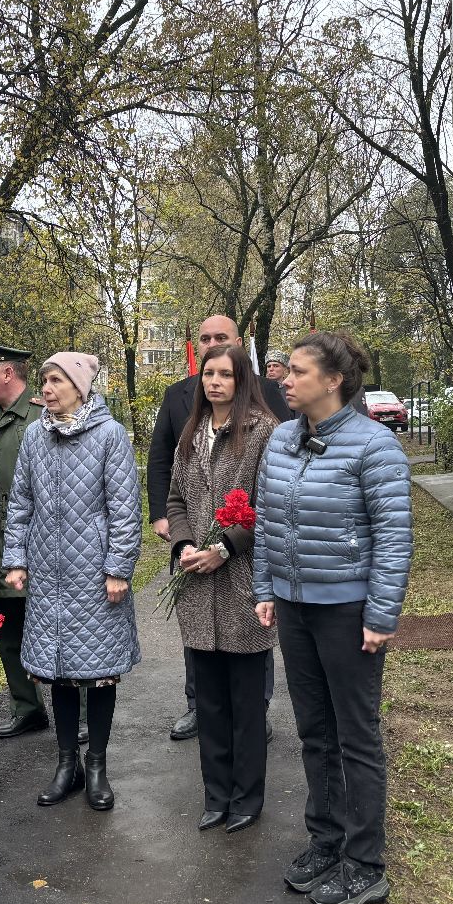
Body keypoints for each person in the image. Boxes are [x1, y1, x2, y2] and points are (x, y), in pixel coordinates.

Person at [253, 331, 412, 904]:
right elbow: (268, 520)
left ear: (334, 380)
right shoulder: (282, 439)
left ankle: (365, 863)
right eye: (286, 371)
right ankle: (327, 840)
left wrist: (380, 614)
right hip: (294, 607)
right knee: (314, 731)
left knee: (356, 736)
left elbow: (393, 538)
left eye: (297, 371)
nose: (285, 380)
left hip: (348, 613)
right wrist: (266, 588)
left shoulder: (374, 446)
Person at [3, 352, 141, 811]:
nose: (46, 388)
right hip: (49, 575)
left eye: (56, 381)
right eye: (44, 380)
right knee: (58, 672)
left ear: (80, 388)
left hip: (96, 578)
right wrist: (16, 559)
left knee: (99, 674)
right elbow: (21, 501)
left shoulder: (110, 435)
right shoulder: (34, 436)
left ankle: (96, 766)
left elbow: (125, 509)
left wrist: (118, 568)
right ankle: (68, 766)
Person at [147, 315, 293, 741]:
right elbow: (164, 463)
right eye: (205, 340)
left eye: (221, 339)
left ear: (239, 346)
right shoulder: (181, 403)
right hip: (194, 549)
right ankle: (200, 708)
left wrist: (226, 545)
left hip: (243, 559)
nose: (214, 378)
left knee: (247, 644)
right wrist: (179, 537)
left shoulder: (268, 402)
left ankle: (255, 711)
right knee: (202, 648)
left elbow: (273, 492)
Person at [166, 345, 277, 835]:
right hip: (196, 586)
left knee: (246, 705)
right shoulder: (191, 433)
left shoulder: (263, 432)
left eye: (225, 374)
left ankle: (247, 798)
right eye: (208, 373)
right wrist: (185, 544)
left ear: (241, 379)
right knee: (209, 704)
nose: (214, 382)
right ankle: (216, 795)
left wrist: (226, 547)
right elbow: (175, 499)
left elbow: (271, 504)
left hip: (241, 583)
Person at [0, 339, 49, 740]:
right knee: (7, 632)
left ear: (7, 372)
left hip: (38, 547)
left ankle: (83, 713)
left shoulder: (43, 416)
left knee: (56, 628)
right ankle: (27, 708)